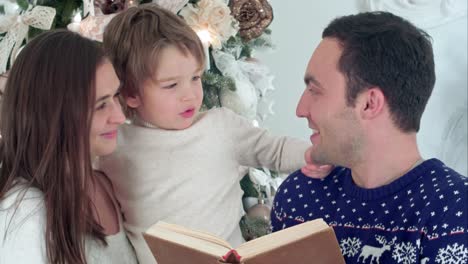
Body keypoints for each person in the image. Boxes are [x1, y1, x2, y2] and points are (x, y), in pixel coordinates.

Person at [97, 4, 331, 264]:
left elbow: (273, 149)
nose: (190, 94)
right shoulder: (114, 145)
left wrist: (311, 155)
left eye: (196, 78)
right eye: (172, 85)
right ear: (131, 93)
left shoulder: (221, 127)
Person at [271, 11, 468, 263]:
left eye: (315, 90)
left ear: (369, 103)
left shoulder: (454, 213)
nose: (300, 109)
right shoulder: (300, 196)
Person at [0, 30, 138, 264]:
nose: (119, 116)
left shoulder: (105, 182)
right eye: (100, 105)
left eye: (115, 96)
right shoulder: (24, 215)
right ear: (54, 115)